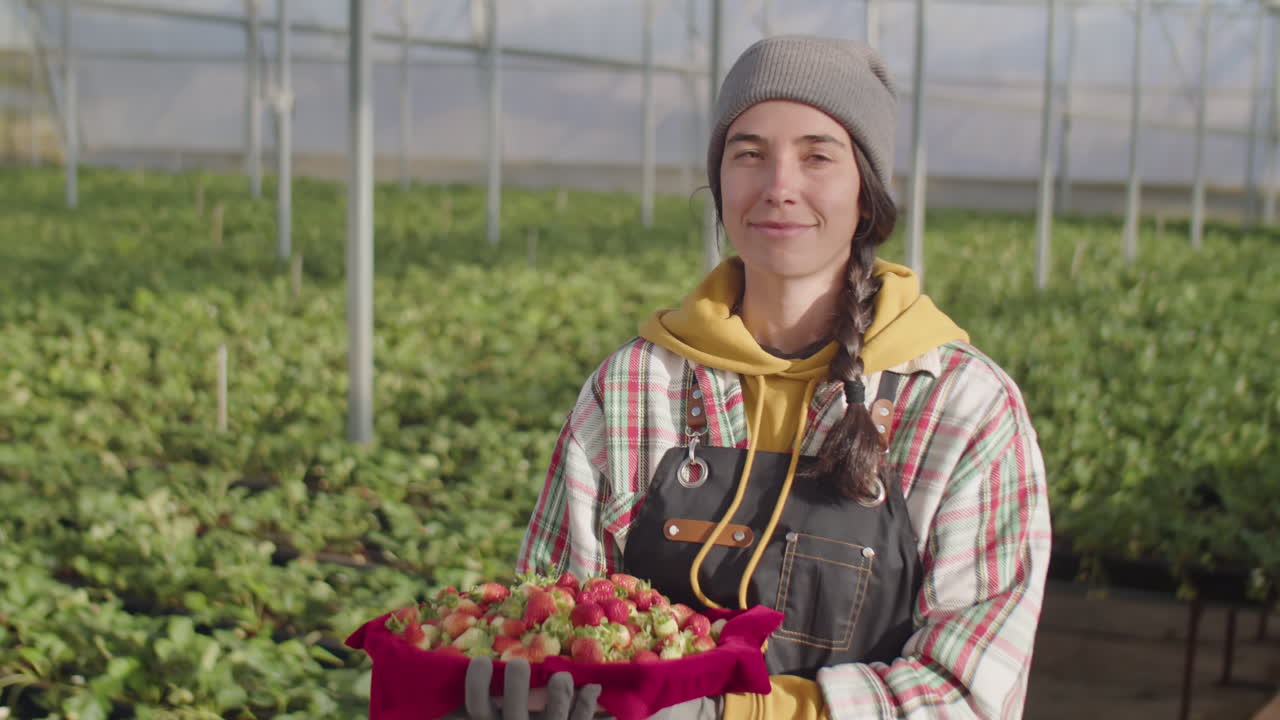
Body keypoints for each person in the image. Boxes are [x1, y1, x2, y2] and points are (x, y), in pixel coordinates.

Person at [462, 34, 1052, 720]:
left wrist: (722, 712)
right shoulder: (633, 387)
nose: (778, 187)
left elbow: (969, 693)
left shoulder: (960, 407)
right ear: (719, 182)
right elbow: (555, 613)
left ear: (867, 192)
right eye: (749, 154)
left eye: (817, 156)